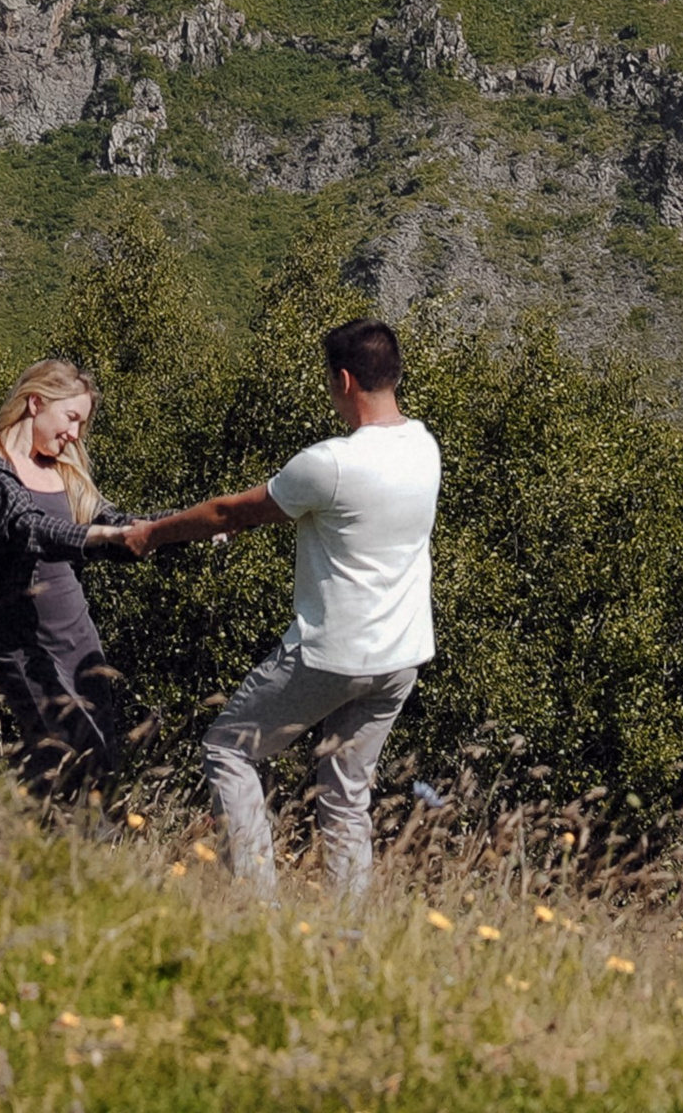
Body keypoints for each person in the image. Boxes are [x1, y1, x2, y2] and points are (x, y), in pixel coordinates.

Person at [95, 315, 438, 898]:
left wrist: (150, 534)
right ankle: (348, 930)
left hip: (333, 652)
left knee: (228, 749)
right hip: (401, 657)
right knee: (347, 794)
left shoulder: (331, 463)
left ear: (345, 380)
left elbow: (232, 512)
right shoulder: (424, 446)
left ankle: (258, 909)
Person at [0, 358, 130, 794]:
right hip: (20, 642)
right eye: (71, 418)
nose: (75, 434)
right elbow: (26, 526)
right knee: (59, 757)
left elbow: (120, 524)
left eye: (81, 424)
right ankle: (42, 849)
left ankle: (85, 855)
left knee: (100, 757)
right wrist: (100, 533)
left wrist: (190, 525)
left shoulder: (63, 469)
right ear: (36, 402)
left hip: (77, 634)